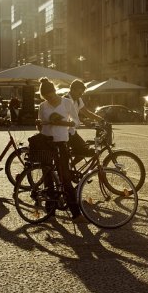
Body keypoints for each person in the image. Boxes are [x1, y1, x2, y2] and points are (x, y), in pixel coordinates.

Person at [37, 77, 86, 223]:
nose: (49, 100)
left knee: (65, 177)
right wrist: (39, 123)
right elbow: (40, 126)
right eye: (46, 97)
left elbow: (76, 122)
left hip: (61, 142)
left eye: (51, 96)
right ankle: (50, 212)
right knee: (48, 177)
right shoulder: (42, 106)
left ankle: (76, 214)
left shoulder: (67, 102)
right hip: (46, 142)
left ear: (55, 92)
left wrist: (66, 124)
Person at [66, 79, 104, 161]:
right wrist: (83, 120)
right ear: (72, 90)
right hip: (64, 132)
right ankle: (66, 171)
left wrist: (100, 119)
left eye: (82, 94)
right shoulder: (65, 100)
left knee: (82, 151)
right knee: (83, 151)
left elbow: (86, 112)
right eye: (79, 93)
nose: (80, 95)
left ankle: (70, 170)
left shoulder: (78, 100)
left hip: (72, 132)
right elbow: (67, 116)